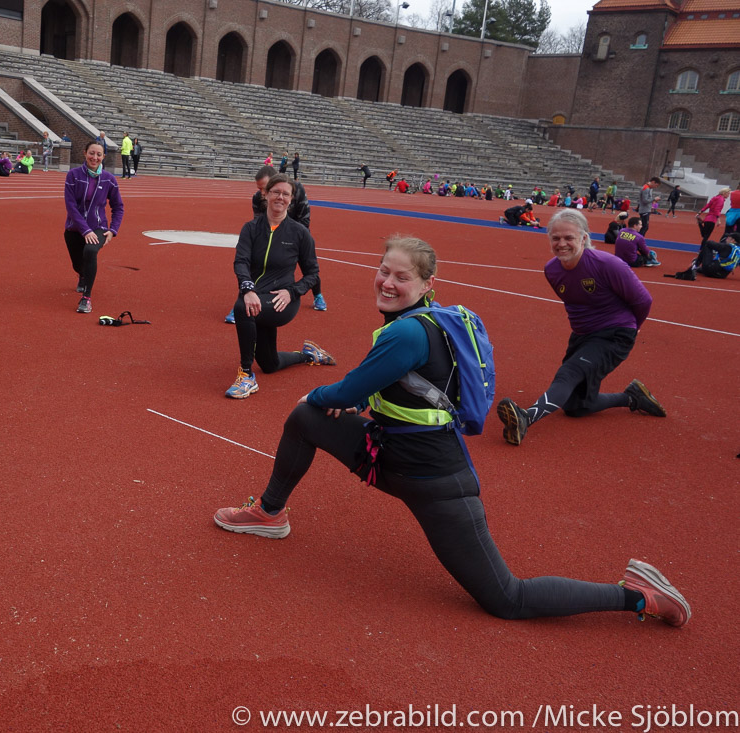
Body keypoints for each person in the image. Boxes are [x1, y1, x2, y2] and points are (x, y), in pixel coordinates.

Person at [212, 235, 691, 629]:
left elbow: (342, 391)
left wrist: (319, 398)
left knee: (507, 598)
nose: (388, 282)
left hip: (434, 480)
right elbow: (391, 388)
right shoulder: (421, 323)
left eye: (402, 276)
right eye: (384, 270)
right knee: (305, 422)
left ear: (427, 284)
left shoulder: (406, 333)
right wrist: (344, 404)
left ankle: (638, 597)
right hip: (389, 453)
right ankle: (270, 514)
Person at [496, 209, 666, 447]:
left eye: (569, 238)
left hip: (615, 334)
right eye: (555, 238)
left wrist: (633, 328)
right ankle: (632, 397)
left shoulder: (608, 264)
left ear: (584, 238)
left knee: (568, 375)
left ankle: (526, 417)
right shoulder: (552, 270)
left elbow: (643, 301)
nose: (561, 244)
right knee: (576, 406)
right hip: (583, 336)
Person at [225, 173, 334, 399]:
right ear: (265, 194)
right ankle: (308, 355)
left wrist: (292, 291)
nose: (280, 197)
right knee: (269, 364)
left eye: (286, 194)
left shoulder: (300, 233)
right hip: (255, 296)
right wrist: (248, 289)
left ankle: (245, 376)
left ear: (291, 199)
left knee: (241, 308)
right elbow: (241, 261)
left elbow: (312, 274)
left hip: (281, 299)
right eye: (276, 192)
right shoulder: (251, 228)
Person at [225, 166, 325, 324]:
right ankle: (247, 297)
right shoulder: (258, 198)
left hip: (295, 229)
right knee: (255, 259)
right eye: (260, 189)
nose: (261, 191)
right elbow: (258, 223)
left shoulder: (297, 190)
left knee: (307, 263)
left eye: (264, 187)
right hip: (271, 227)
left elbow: (304, 218)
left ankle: (318, 295)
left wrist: (292, 235)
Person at [63, 140, 124, 314]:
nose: (94, 157)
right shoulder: (73, 175)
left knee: (90, 252)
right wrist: (84, 230)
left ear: (104, 157)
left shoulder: (109, 180)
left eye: (99, 154)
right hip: (74, 228)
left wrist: (113, 230)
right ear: (85, 153)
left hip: (98, 227)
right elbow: (71, 206)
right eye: (92, 153)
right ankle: (82, 275)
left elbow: (118, 206)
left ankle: (86, 298)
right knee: (77, 264)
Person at [667, 231, 739, 281]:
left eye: (728, 238)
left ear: (733, 240)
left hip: (710, 270)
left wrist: (699, 259)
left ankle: (695, 264)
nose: (726, 239)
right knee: (709, 265)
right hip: (722, 275)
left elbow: (709, 243)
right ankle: (697, 267)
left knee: (707, 244)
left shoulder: (728, 247)